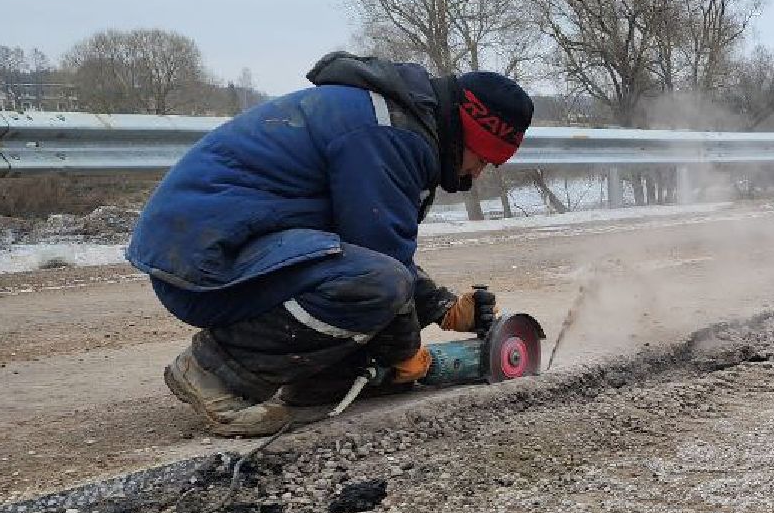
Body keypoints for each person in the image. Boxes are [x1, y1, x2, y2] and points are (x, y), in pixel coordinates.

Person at [126, 51, 534, 436]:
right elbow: (380, 259)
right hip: (205, 263)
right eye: (482, 157)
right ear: (466, 130)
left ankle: (324, 381)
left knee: (373, 280)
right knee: (376, 285)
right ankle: (212, 371)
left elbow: (365, 243)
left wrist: (443, 309)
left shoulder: (395, 121)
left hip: (214, 246)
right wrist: (404, 352)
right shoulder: (391, 135)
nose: (480, 172)